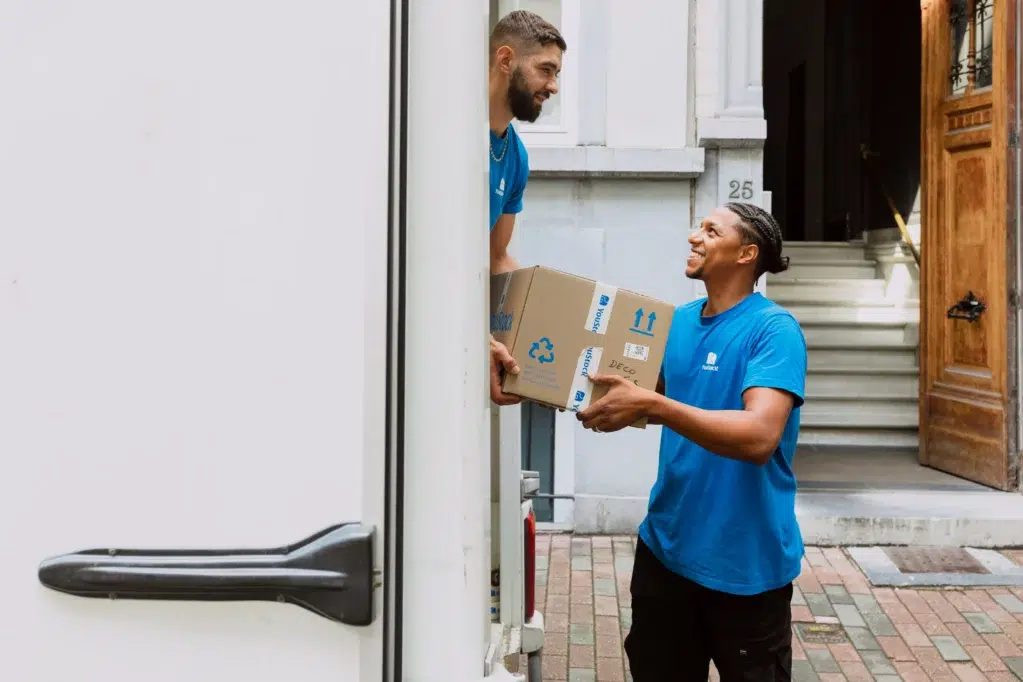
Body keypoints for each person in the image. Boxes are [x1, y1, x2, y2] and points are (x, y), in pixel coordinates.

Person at [576, 202, 807, 681]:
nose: (692, 236)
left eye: (709, 230)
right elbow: (648, 398)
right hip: (666, 551)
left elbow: (759, 435)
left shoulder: (773, 330)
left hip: (744, 566)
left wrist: (653, 407)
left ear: (747, 253)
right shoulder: (677, 322)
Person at [486, 10, 567, 406]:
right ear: (506, 60)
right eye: (545, 70)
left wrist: (542, 339)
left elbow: (496, 256)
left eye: (556, 74)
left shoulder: (514, 153)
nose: (553, 86)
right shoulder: (451, 132)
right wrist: (480, 340)